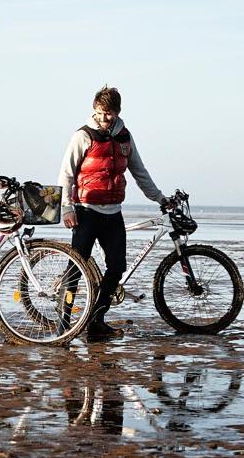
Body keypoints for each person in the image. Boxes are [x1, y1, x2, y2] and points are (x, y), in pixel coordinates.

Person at [57, 86, 167, 340]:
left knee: (117, 267)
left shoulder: (125, 137)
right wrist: (66, 207)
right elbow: (66, 174)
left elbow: (139, 172)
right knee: (76, 268)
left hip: (113, 212)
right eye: (99, 113)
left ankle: (96, 320)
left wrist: (160, 198)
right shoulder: (83, 136)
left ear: (118, 111)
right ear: (94, 109)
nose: (104, 119)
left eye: (109, 114)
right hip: (85, 211)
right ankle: (63, 323)